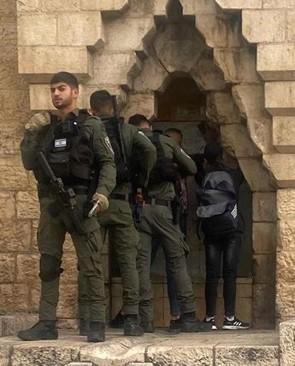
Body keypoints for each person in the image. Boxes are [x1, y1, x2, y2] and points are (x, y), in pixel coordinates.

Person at [18, 72, 116, 342]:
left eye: (61, 89)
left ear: (75, 92)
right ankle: (47, 323)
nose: (56, 94)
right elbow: (28, 161)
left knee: (91, 264)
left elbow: (108, 162)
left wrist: (102, 193)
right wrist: (30, 132)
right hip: (52, 205)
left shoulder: (91, 125)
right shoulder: (46, 127)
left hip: (82, 204)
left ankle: (96, 322)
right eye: (52, 90)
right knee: (48, 264)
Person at [78, 91, 157, 336]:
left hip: (95, 202)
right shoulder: (129, 131)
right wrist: (140, 181)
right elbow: (150, 151)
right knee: (129, 263)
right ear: (113, 108)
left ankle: (90, 320)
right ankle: (132, 319)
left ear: (93, 109)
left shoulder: (86, 128)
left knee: (91, 261)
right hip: (122, 200)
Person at [129, 114, 210, 333]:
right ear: (150, 125)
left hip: (140, 210)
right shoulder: (165, 141)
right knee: (176, 260)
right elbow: (192, 168)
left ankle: (145, 320)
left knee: (141, 265)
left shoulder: (129, 141)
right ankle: (189, 315)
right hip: (163, 209)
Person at [196, 142, 250, 330]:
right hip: (231, 229)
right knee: (229, 273)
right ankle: (229, 318)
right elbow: (244, 173)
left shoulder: (202, 174)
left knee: (212, 274)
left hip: (210, 228)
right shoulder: (233, 174)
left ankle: (210, 318)